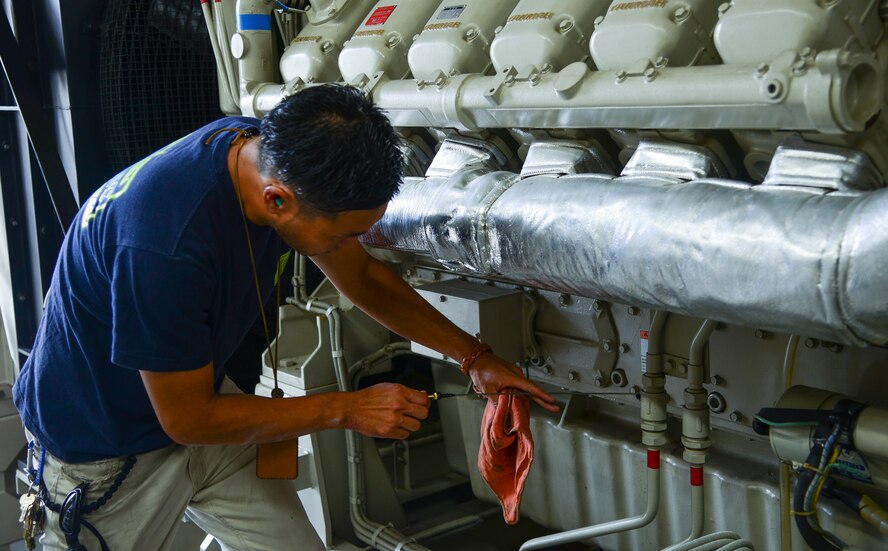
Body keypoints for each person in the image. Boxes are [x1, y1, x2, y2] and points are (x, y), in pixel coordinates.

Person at [13, 84, 558, 550]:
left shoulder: (266, 152)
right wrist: (346, 409)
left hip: (203, 405)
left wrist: (473, 357)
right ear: (278, 201)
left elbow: (361, 276)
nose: (351, 245)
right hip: (105, 451)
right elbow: (187, 419)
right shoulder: (165, 246)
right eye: (345, 234)